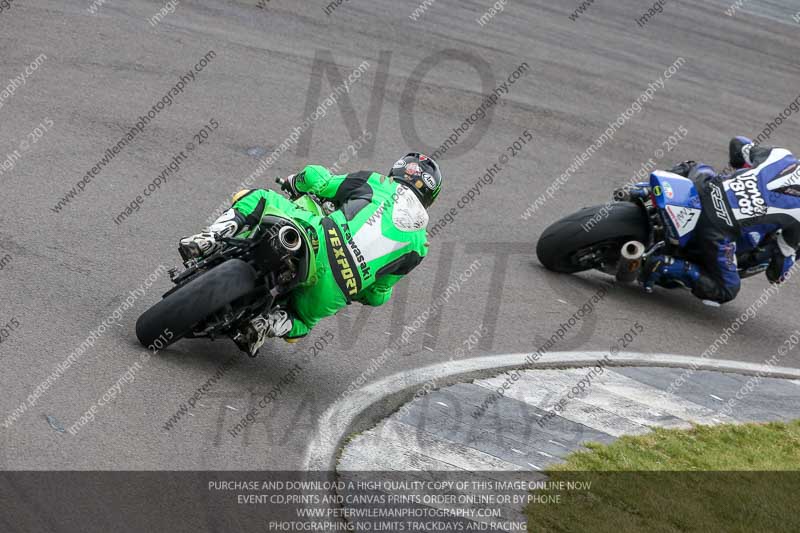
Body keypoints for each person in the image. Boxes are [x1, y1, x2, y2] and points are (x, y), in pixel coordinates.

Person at [178, 153, 442, 355]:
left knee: (257, 198)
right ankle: (266, 325)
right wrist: (359, 287)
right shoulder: (419, 245)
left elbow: (320, 180)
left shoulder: (379, 183)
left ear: (397, 170)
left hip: (318, 238)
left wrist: (296, 181)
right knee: (303, 320)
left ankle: (209, 238)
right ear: (431, 196)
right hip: (337, 287)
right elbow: (378, 294)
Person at [641, 136, 800, 303]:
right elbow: (778, 268)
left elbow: (738, 144)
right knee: (728, 289)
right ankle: (664, 265)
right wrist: (782, 273)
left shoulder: (780, 155)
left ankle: (644, 190)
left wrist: (743, 170)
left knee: (696, 168)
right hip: (717, 230)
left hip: (704, 193)